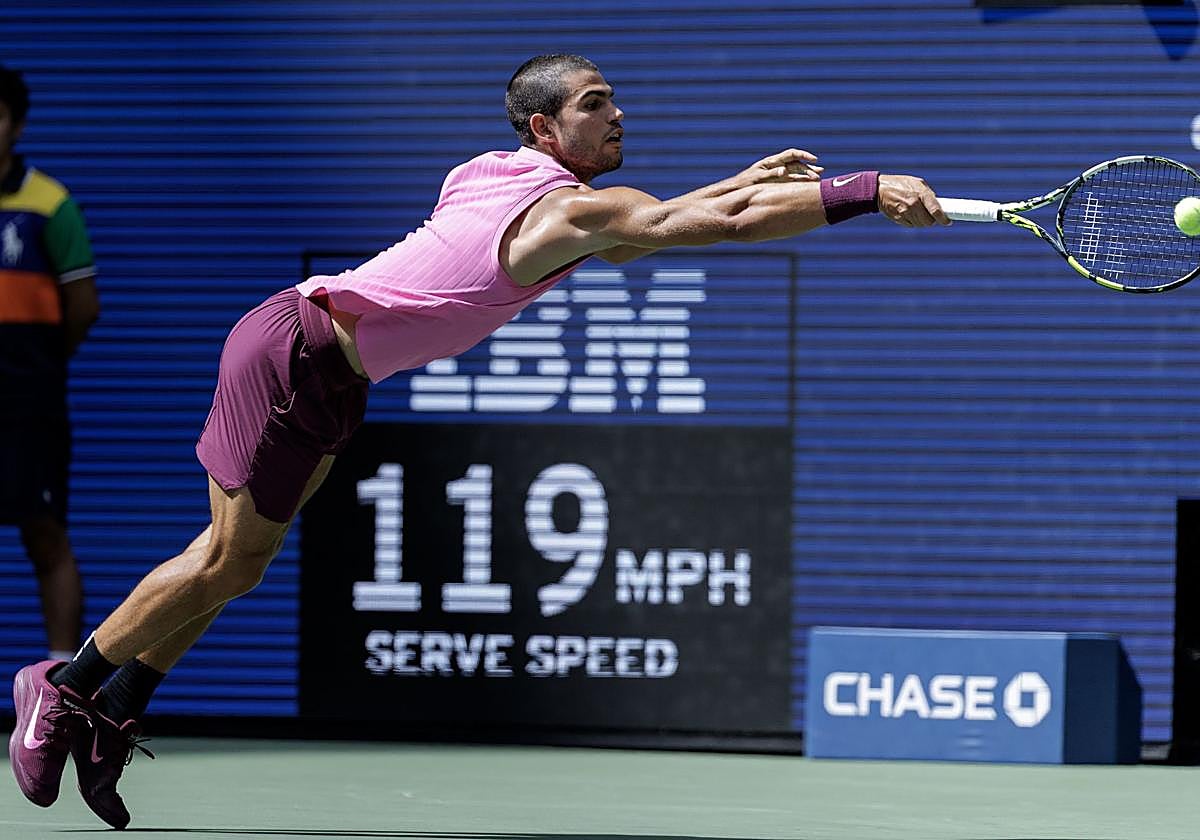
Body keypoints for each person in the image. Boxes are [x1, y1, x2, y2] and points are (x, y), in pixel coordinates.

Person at [8, 53, 950, 829]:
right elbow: (679, 227)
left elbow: (637, 234)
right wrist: (863, 190)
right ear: (545, 131)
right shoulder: (568, 209)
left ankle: (119, 703)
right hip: (293, 354)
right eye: (594, 104)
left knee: (240, 566)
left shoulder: (496, 176)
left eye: (615, 97)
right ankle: (65, 685)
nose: (617, 113)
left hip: (330, 367)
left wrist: (744, 179)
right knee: (221, 559)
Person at [0, 69, 98, 661]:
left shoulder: (50, 204)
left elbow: (84, 307)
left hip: (26, 404)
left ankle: (63, 680)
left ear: (17, 123)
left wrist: (33, 364)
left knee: (44, 534)